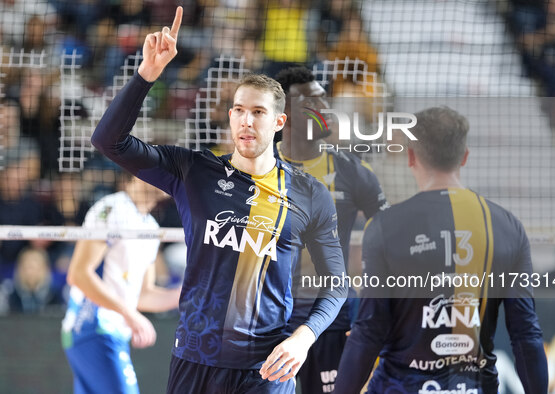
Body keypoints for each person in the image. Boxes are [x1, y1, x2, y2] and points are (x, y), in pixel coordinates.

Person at [90, 7, 347, 394]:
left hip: (266, 367)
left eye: (258, 112)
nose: (246, 121)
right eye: (239, 111)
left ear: (279, 123)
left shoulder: (309, 192)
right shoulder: (194, 171)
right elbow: (109, 142)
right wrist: (146, 75)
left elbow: (336, 282)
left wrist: (304, 337)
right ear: (230, 117)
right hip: (195, 359)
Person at [334, 107, 548, 393]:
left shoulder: (385, 226)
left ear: (410, 156)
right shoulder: (508, 227)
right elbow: (526, 335)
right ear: (465, 156)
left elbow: (369, 331)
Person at [274, 66, 388, 394]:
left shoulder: (353, 172)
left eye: (324, 100)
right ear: (286, 116)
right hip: (267, 321)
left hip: (331, 319)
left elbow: (392, 246)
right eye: (313, 103)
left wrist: (374, 314)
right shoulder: (256, 168)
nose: (325, 109)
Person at [61, 171, 180, 394]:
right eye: (158, 167)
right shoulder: (112, 208)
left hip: (114, 333)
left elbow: (143, 296)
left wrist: (190, 294)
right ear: (135, 174)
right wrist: (130, 314)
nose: (166, 174)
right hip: (91, 326)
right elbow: (78, 274)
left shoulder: (152, 228)